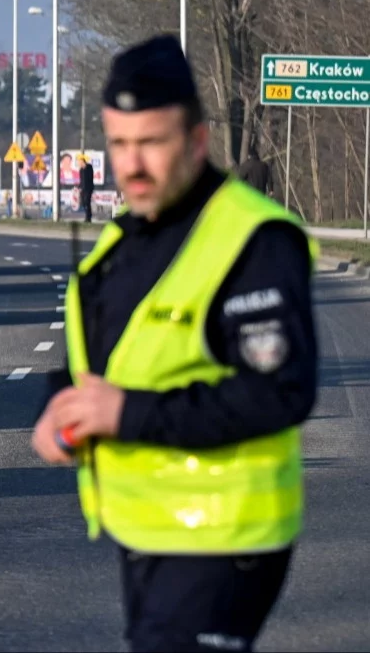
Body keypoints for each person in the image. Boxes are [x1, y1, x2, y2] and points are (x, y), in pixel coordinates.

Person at [30, 34, 317, 653]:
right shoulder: (126, 239)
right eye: (120, 144)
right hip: (149, 533)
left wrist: (124, 413)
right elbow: (112, 360)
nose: (132, 165)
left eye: (152, 143)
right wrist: (60, 407)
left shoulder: (253, 239)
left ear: (196, 140)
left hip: (223, 538)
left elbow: (279, 391)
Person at [78, 153, 96, 223]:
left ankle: (88, 217)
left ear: (83, 162)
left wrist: (85, 168)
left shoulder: (89, 167)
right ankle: (87, 215)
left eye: (80, 162)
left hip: (88, 188)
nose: (79, 164)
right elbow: (81, 180)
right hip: (83, 188)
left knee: (87, 201)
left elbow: (90, 177)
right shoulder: (80, 170)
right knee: (83, 202)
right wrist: (79, 187)